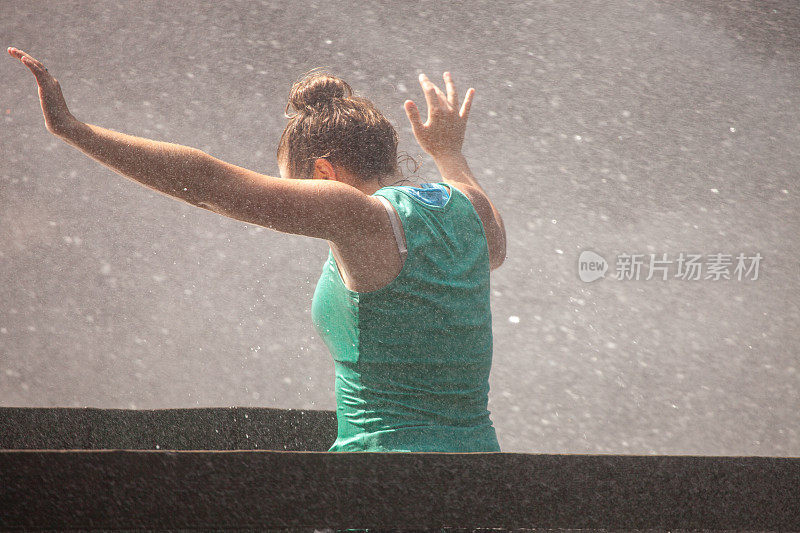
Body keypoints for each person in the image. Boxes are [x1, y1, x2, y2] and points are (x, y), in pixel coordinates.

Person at [7, 47, 507, 455]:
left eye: (293, 186)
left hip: (383, 483)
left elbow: (214, 186)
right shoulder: (470, 211)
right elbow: (495, 246)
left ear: (324, 174)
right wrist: (448, 151)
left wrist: (77, 130)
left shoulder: (354, 213)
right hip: (479, 471)